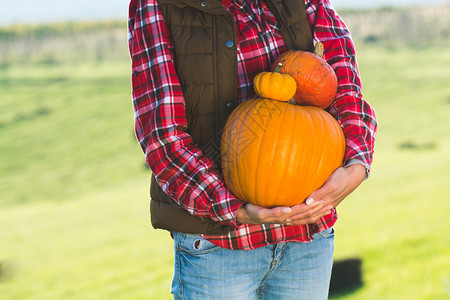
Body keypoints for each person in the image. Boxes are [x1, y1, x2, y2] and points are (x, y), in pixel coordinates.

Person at [128, 0, 377, 298]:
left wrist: (356, 165)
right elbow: (163, 134)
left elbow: (343, 83)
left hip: (307, 237)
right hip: (217, 246)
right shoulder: (158, 4)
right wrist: (234, 208)